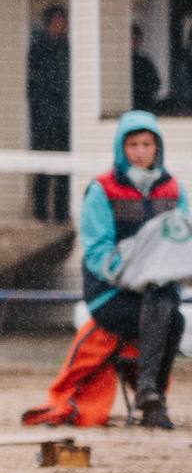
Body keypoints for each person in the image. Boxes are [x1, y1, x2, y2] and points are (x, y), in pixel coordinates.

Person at [28, 111, 182, 429]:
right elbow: (98, 252)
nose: (140, 151)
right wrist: (136, 275)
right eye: (133, 144)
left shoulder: (174, 191)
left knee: (172, 317)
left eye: (147, 144)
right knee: (165, 311)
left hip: (157, 291)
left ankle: (151, 396)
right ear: (121, 148)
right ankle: (151, 398)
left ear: (158, 147)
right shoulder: (102, 189)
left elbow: (183, 243)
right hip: (110, 293)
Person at [28, 4, 70, 222]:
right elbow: (36, 83)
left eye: (63, 22)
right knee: (43, 166)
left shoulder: (68, 49)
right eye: (56, 22)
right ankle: (40, 214)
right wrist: (41, 111)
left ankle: (62, 212)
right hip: (44, 117)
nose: (61, 26)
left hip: (64, 118)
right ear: (48, 24)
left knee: (64, 167)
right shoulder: (38, 49)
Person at [132, 21, 162, 114]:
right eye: (132, 40)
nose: (135, 43)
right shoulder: (122, 63)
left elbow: (156, 83)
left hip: (145, 107)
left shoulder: (144, 62)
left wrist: (143, 91)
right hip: (129, 107)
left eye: (137, 40)